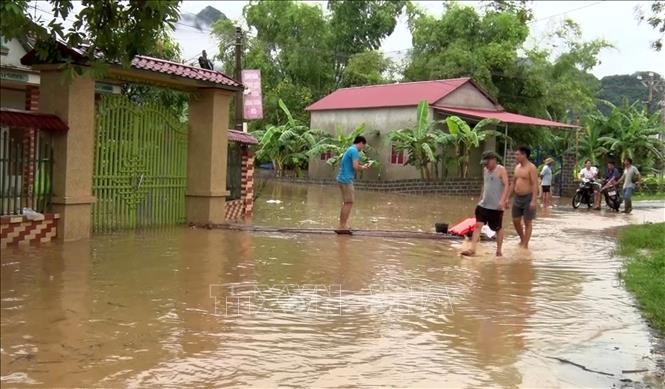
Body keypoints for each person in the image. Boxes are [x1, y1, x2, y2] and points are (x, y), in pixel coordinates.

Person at [461, 151, 510, 257]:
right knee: (478, 225)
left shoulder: (501, 170)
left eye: (487, 163)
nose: (485, 166)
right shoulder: (485, 170)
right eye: (484, 164)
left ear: (493, 160)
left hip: (496, 206)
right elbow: (485, 186)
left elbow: (506, 185)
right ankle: (472, 249)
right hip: (483, 204)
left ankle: (499, 250)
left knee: (497, 228)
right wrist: (480, 200)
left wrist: (503, 200)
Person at [336, 136, 370, 233]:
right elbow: (355, 166)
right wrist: (363, 167)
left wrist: (362, 166)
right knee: (349, 202)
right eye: (363, 146)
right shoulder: (354, 151)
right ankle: (342, 226)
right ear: (360, 143)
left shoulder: (350, 149)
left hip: (342, 178)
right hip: (346, 180)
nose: (362, 149)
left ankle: (344, 225)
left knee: (347, 202)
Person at [510, 146, 538, 249]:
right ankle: (522, 239)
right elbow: (513, 183)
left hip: (528, 197)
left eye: (517, 154)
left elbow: (535, 184)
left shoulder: (531, 168)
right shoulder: (517, 167)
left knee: (527, 221)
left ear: (524, 155)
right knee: (515, 220)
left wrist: (534, 201)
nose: (515, 156)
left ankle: (525, 245)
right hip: (517, 197)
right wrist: (506, 199)